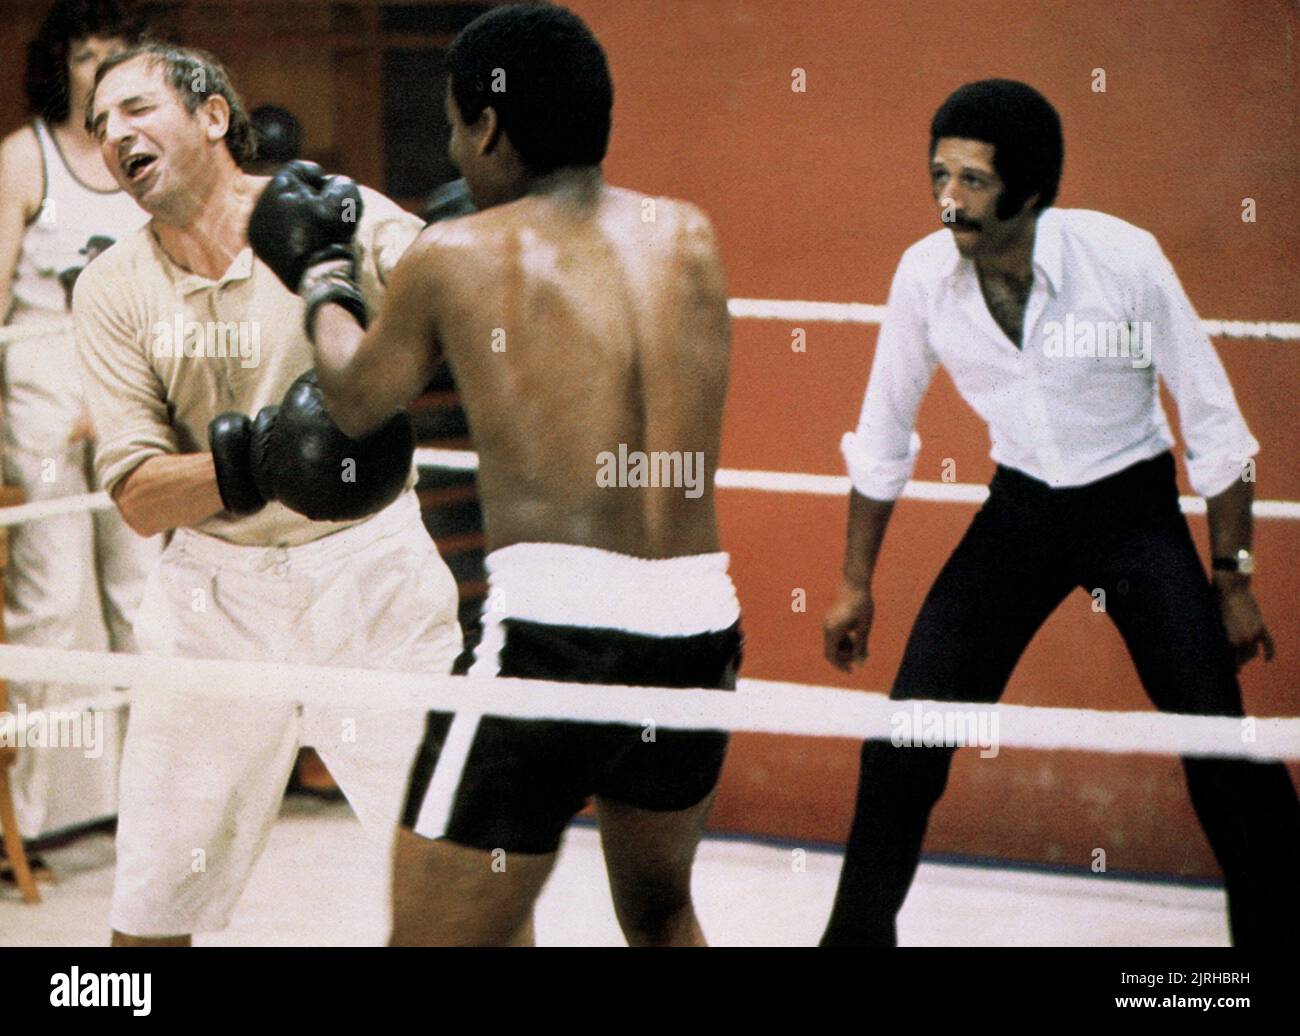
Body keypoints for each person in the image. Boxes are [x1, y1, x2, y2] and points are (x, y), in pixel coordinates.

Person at [248, 3, 742, 947]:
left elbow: (354, 398)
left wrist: (319, 272)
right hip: (695, 624)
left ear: (487, 126)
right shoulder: (689, 237)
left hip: (554, 638)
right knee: (662, 910)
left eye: (452, 120)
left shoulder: (457, 254)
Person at [819, 79, 1300, 947]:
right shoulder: (924, 276)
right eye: (939, 176)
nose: (947, 202)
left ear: (1032, 192)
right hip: (1020, 512)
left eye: (972, 182)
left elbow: (1218, 428)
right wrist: (854, 583)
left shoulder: (1125, 261)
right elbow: (884, 434)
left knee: (1223, 752)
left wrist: (1233, 582)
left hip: (1134, 510)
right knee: (904, 741)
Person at [74, 41, 463, 946]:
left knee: (457, 876)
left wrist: (365, 273)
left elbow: (458, 296)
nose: (113, 134)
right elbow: (136, 495)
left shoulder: (330, 212)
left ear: (214, 116)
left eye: (135, 108)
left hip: (375, 583)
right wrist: (263, 460)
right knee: (151, 908)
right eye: (98, 125)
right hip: (212, 602)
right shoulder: (111, 287)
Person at [0, 0, 159, 850]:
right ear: (59, 62)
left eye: (115, 54)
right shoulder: (23, 159)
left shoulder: (139, 160)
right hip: (43, 401)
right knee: (47, 602)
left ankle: (151, 807)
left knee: (143, 600)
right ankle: (24, 823)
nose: (98, 68)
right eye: (85, 53)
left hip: (127, 397)